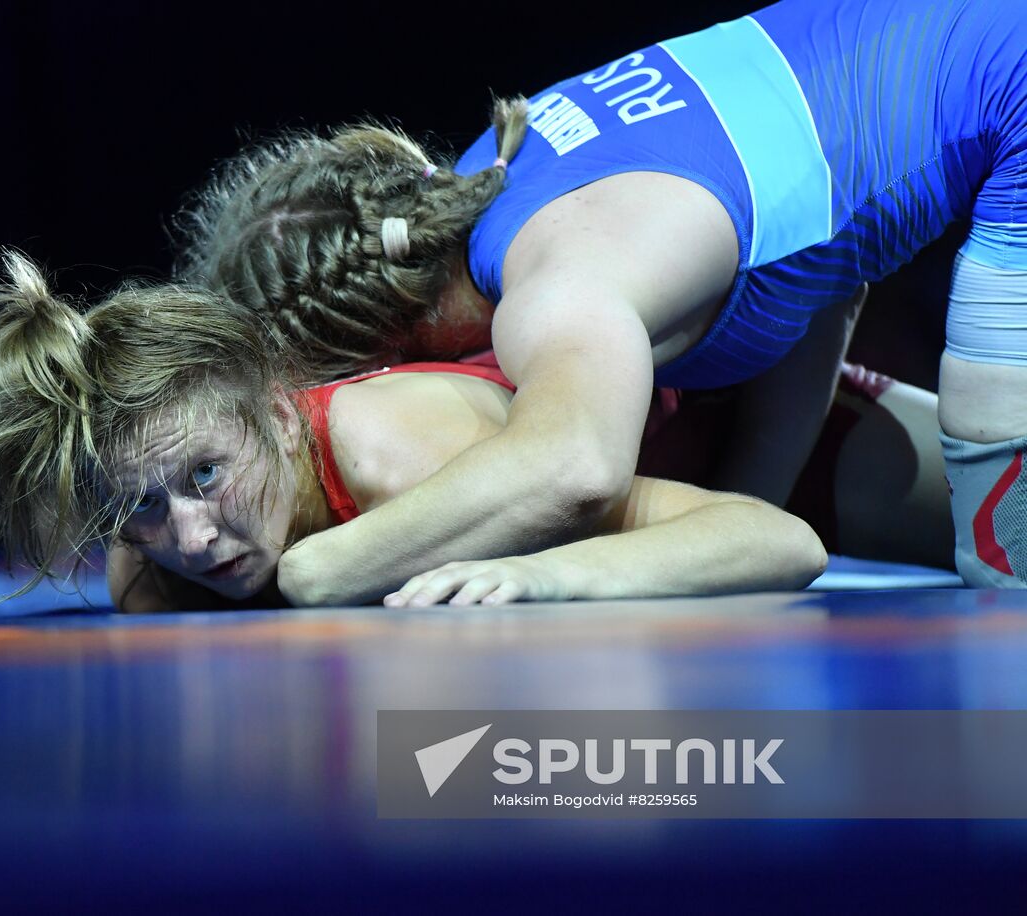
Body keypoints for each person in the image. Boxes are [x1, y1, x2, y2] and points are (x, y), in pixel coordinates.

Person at [175, 0, 1026, 602]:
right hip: (967, 45)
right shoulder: (482, 177)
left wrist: (318, 572)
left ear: (376, 352)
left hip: (1011, 84)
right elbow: (828, 272)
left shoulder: (555, 290)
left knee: (1008, 559)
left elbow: (577, 469)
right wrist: (737, 520)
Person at [0, 251, 831, 611]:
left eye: (204, 476)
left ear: (280, 412)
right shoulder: (147, 566)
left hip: (787, 419)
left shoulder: (397, 455)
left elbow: (778, 537)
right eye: (139, 507)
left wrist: (543, 572)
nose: (188, 538)